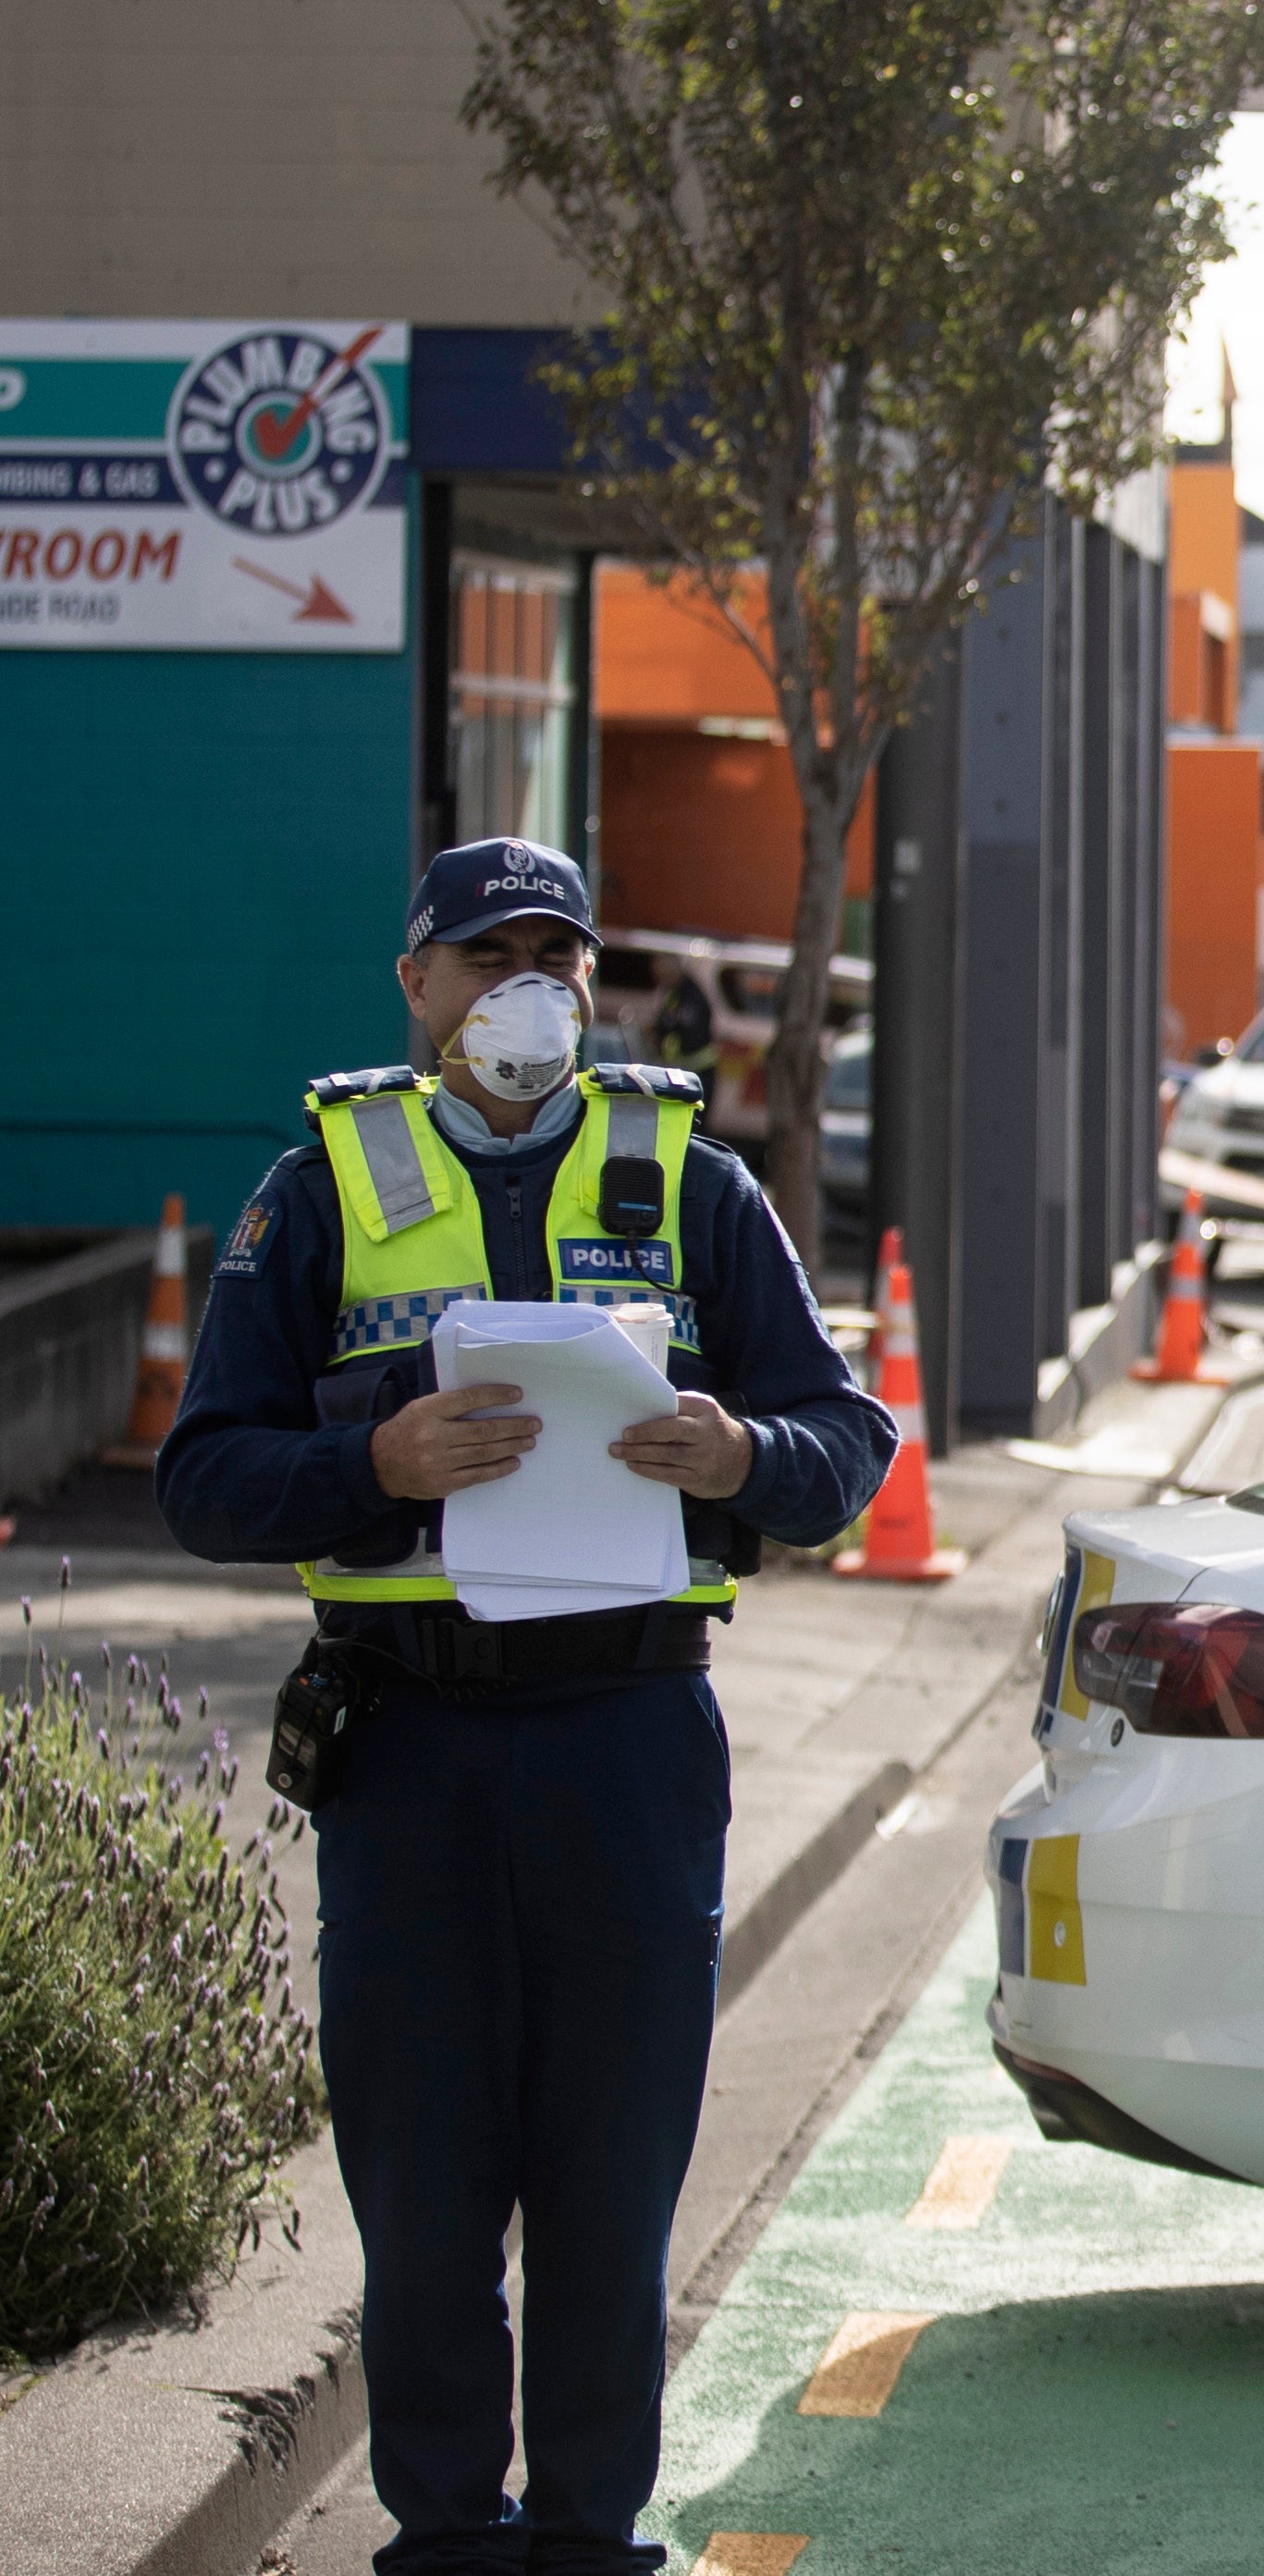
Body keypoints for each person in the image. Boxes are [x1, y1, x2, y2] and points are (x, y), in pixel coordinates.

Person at [156, 839, 896, 2576]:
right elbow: (204, 1479)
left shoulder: (696, 1182)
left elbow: (843, 1442)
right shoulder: (318, 1186)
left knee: (607, 2179)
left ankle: (585, 2534)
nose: (530, 989)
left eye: (560, 955)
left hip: (628, 1747)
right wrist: (373, 1462)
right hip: (409, 1750)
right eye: (489, 954)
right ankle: (442, 2534)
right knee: (421, 2190)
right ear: (414, 985)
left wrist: (745, 1452)